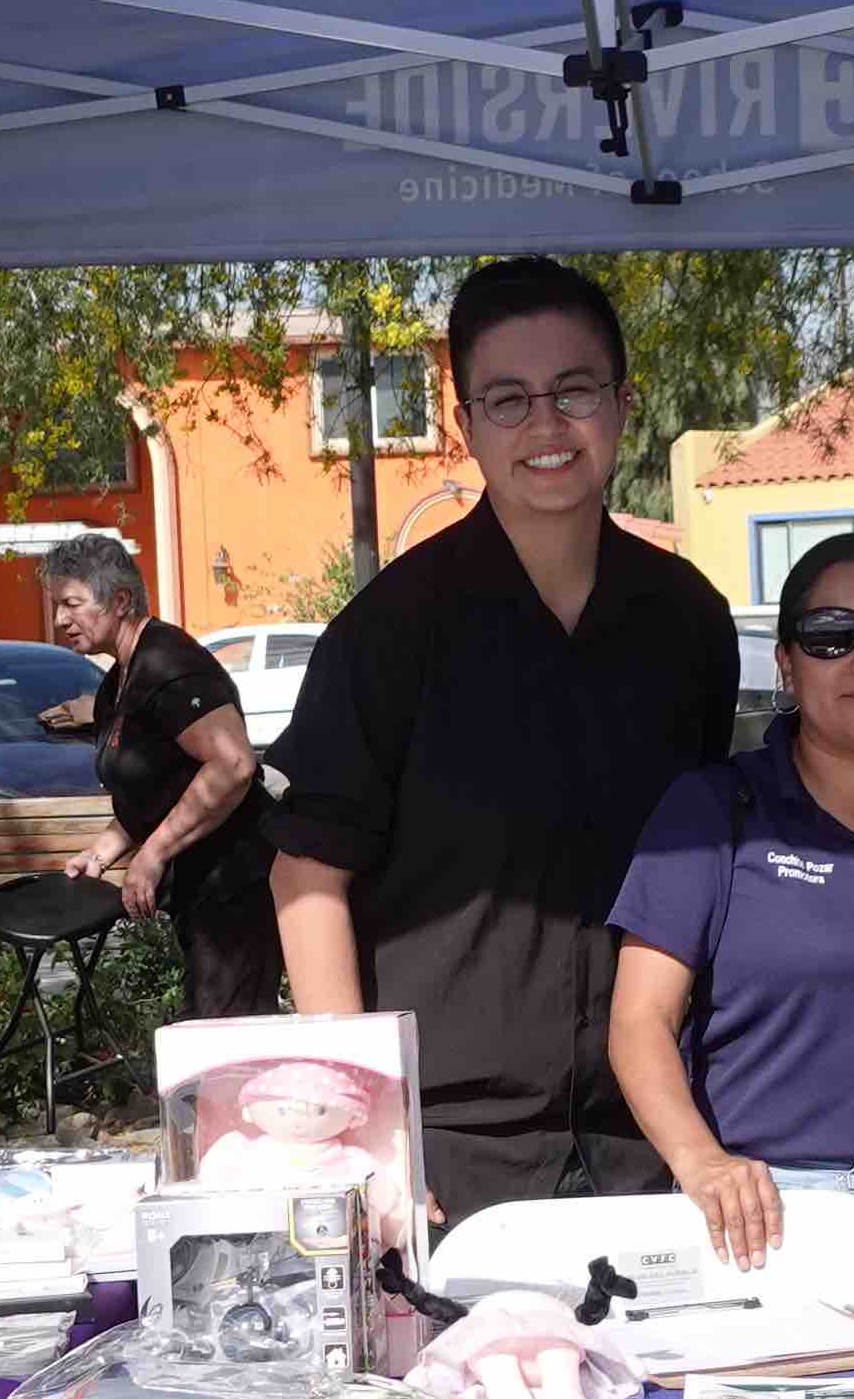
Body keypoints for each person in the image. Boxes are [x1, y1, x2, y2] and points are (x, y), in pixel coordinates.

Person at [269, 259, 737, 1222]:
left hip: (648, 1142)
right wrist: (372, 1138)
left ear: (623, 404)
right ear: (466, 424)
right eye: (509, 399)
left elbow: (696, 874)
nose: (546, 427)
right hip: (445, 1152)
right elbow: (307, 878)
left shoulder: (688, 621)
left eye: (575, 391)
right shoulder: (389, 631)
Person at [608, 531, 854, 1283]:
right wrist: (701, 1161)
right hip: (783, 1226)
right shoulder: (715, 811)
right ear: (787, 666)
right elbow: (639, 1022)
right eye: (831, 635)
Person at [37, 532, 280, 1019]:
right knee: (210, 1036)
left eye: (72, 603)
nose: (60, 619)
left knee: (225, 1041)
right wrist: (99, 855)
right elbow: (156, 789)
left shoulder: (168, 664)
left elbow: (233, 764)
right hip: (199, 895)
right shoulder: (117, 681)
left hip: (237, 885)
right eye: (56, 605)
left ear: (120, 601)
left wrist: (154, 853)